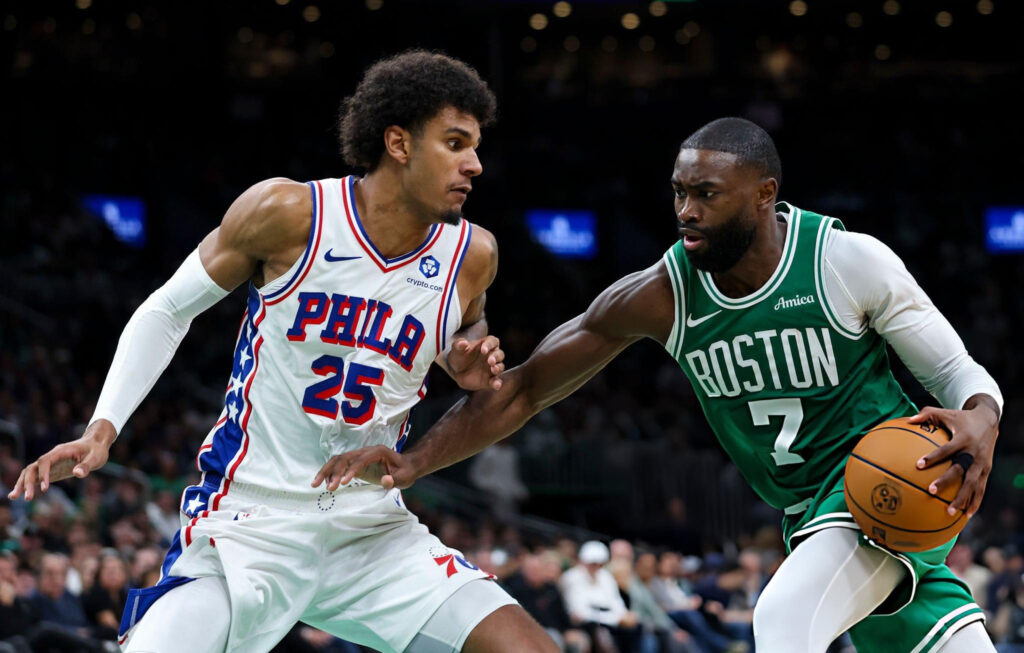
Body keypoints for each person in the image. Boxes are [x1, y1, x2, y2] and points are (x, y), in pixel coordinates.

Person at [322, 117, 1004, 652]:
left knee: (784, 619)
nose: (686, 211)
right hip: (813, 511)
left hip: (890, 479)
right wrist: (414, 460)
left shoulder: (845, 262)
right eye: (679, 192)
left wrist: (981, 414)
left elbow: (955, 372)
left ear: (765, 194)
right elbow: (526, 389)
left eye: (707, 194)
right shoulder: (661, 295)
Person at [8, 50, 556, 653]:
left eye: (476, 146)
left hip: (369, 527)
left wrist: (466, 363)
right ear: (398, 143)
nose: (475, 165)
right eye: (456, 143)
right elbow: (167, 310)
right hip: (250, 521)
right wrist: (102, 429)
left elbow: (460, 338)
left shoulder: (473, 254)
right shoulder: (291, 212)